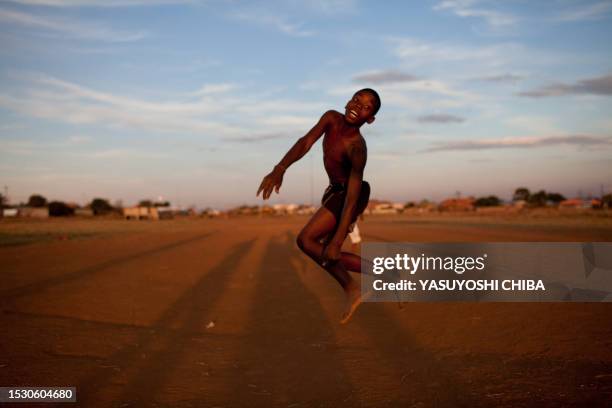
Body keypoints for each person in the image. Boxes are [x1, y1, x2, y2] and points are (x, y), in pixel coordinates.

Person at [256, 89, 380, 323]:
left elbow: (352, 196)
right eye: (356, 100)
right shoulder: (331, 118)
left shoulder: (357, 148)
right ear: (347, 101)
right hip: (335, 192)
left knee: (308, 241)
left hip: (350, 195)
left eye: (366, 107)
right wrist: (280, 168)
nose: (357, 106)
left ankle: (352, 287)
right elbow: (305, 142)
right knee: (320, 251)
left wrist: (338, 239)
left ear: (370, 119)